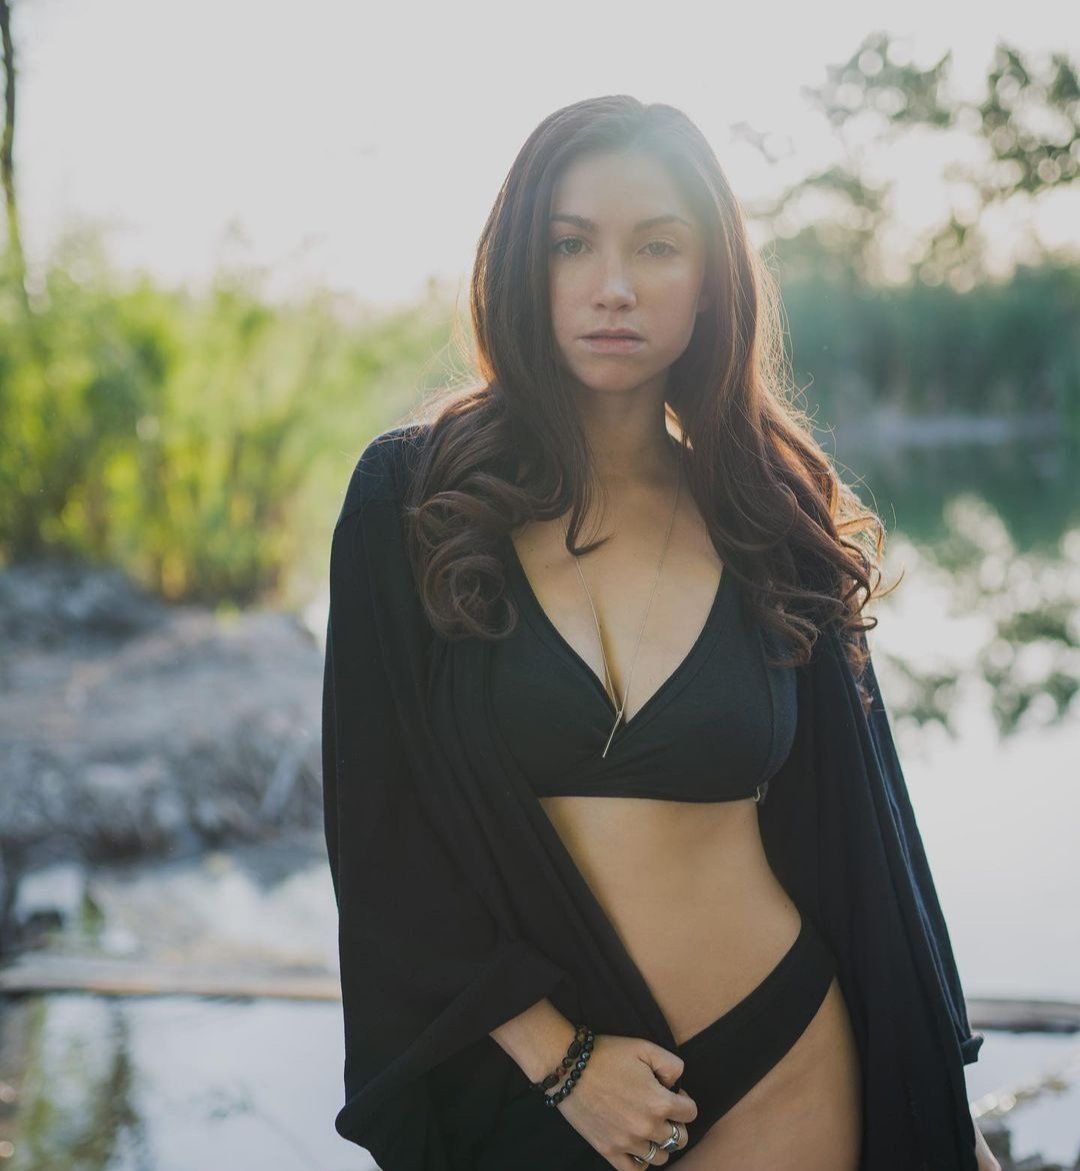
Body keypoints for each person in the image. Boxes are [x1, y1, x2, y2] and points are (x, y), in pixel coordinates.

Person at [321, 95, 996, 1171]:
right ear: (519, 269)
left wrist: (946, 1125)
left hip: (782, 1052)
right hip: (527, 1090)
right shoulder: (413, 502)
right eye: (571, 244)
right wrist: (561, 1060)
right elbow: (381, 828)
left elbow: (868, 828)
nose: (615, 285)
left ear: (711, 280)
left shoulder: (770, 515)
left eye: (659, 245)